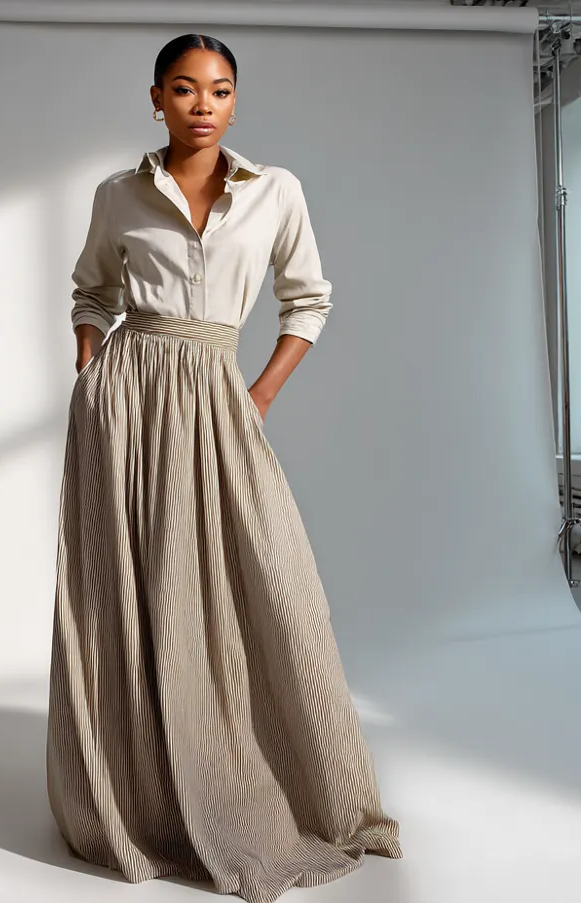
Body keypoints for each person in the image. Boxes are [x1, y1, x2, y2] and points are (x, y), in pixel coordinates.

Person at [45, 33, 402, 903]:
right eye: (184, 88)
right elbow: (91, 289)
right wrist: (94, 370)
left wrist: (262, 393)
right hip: (125, 406)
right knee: (127, 593)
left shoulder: (276, 191)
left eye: (220, 88)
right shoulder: (118, 194)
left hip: (217, 393)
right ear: (157, 99)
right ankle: (139, 791)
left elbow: (307, 298)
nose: (203, 102)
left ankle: (281, 782)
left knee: (270, 579)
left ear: (235, 102)